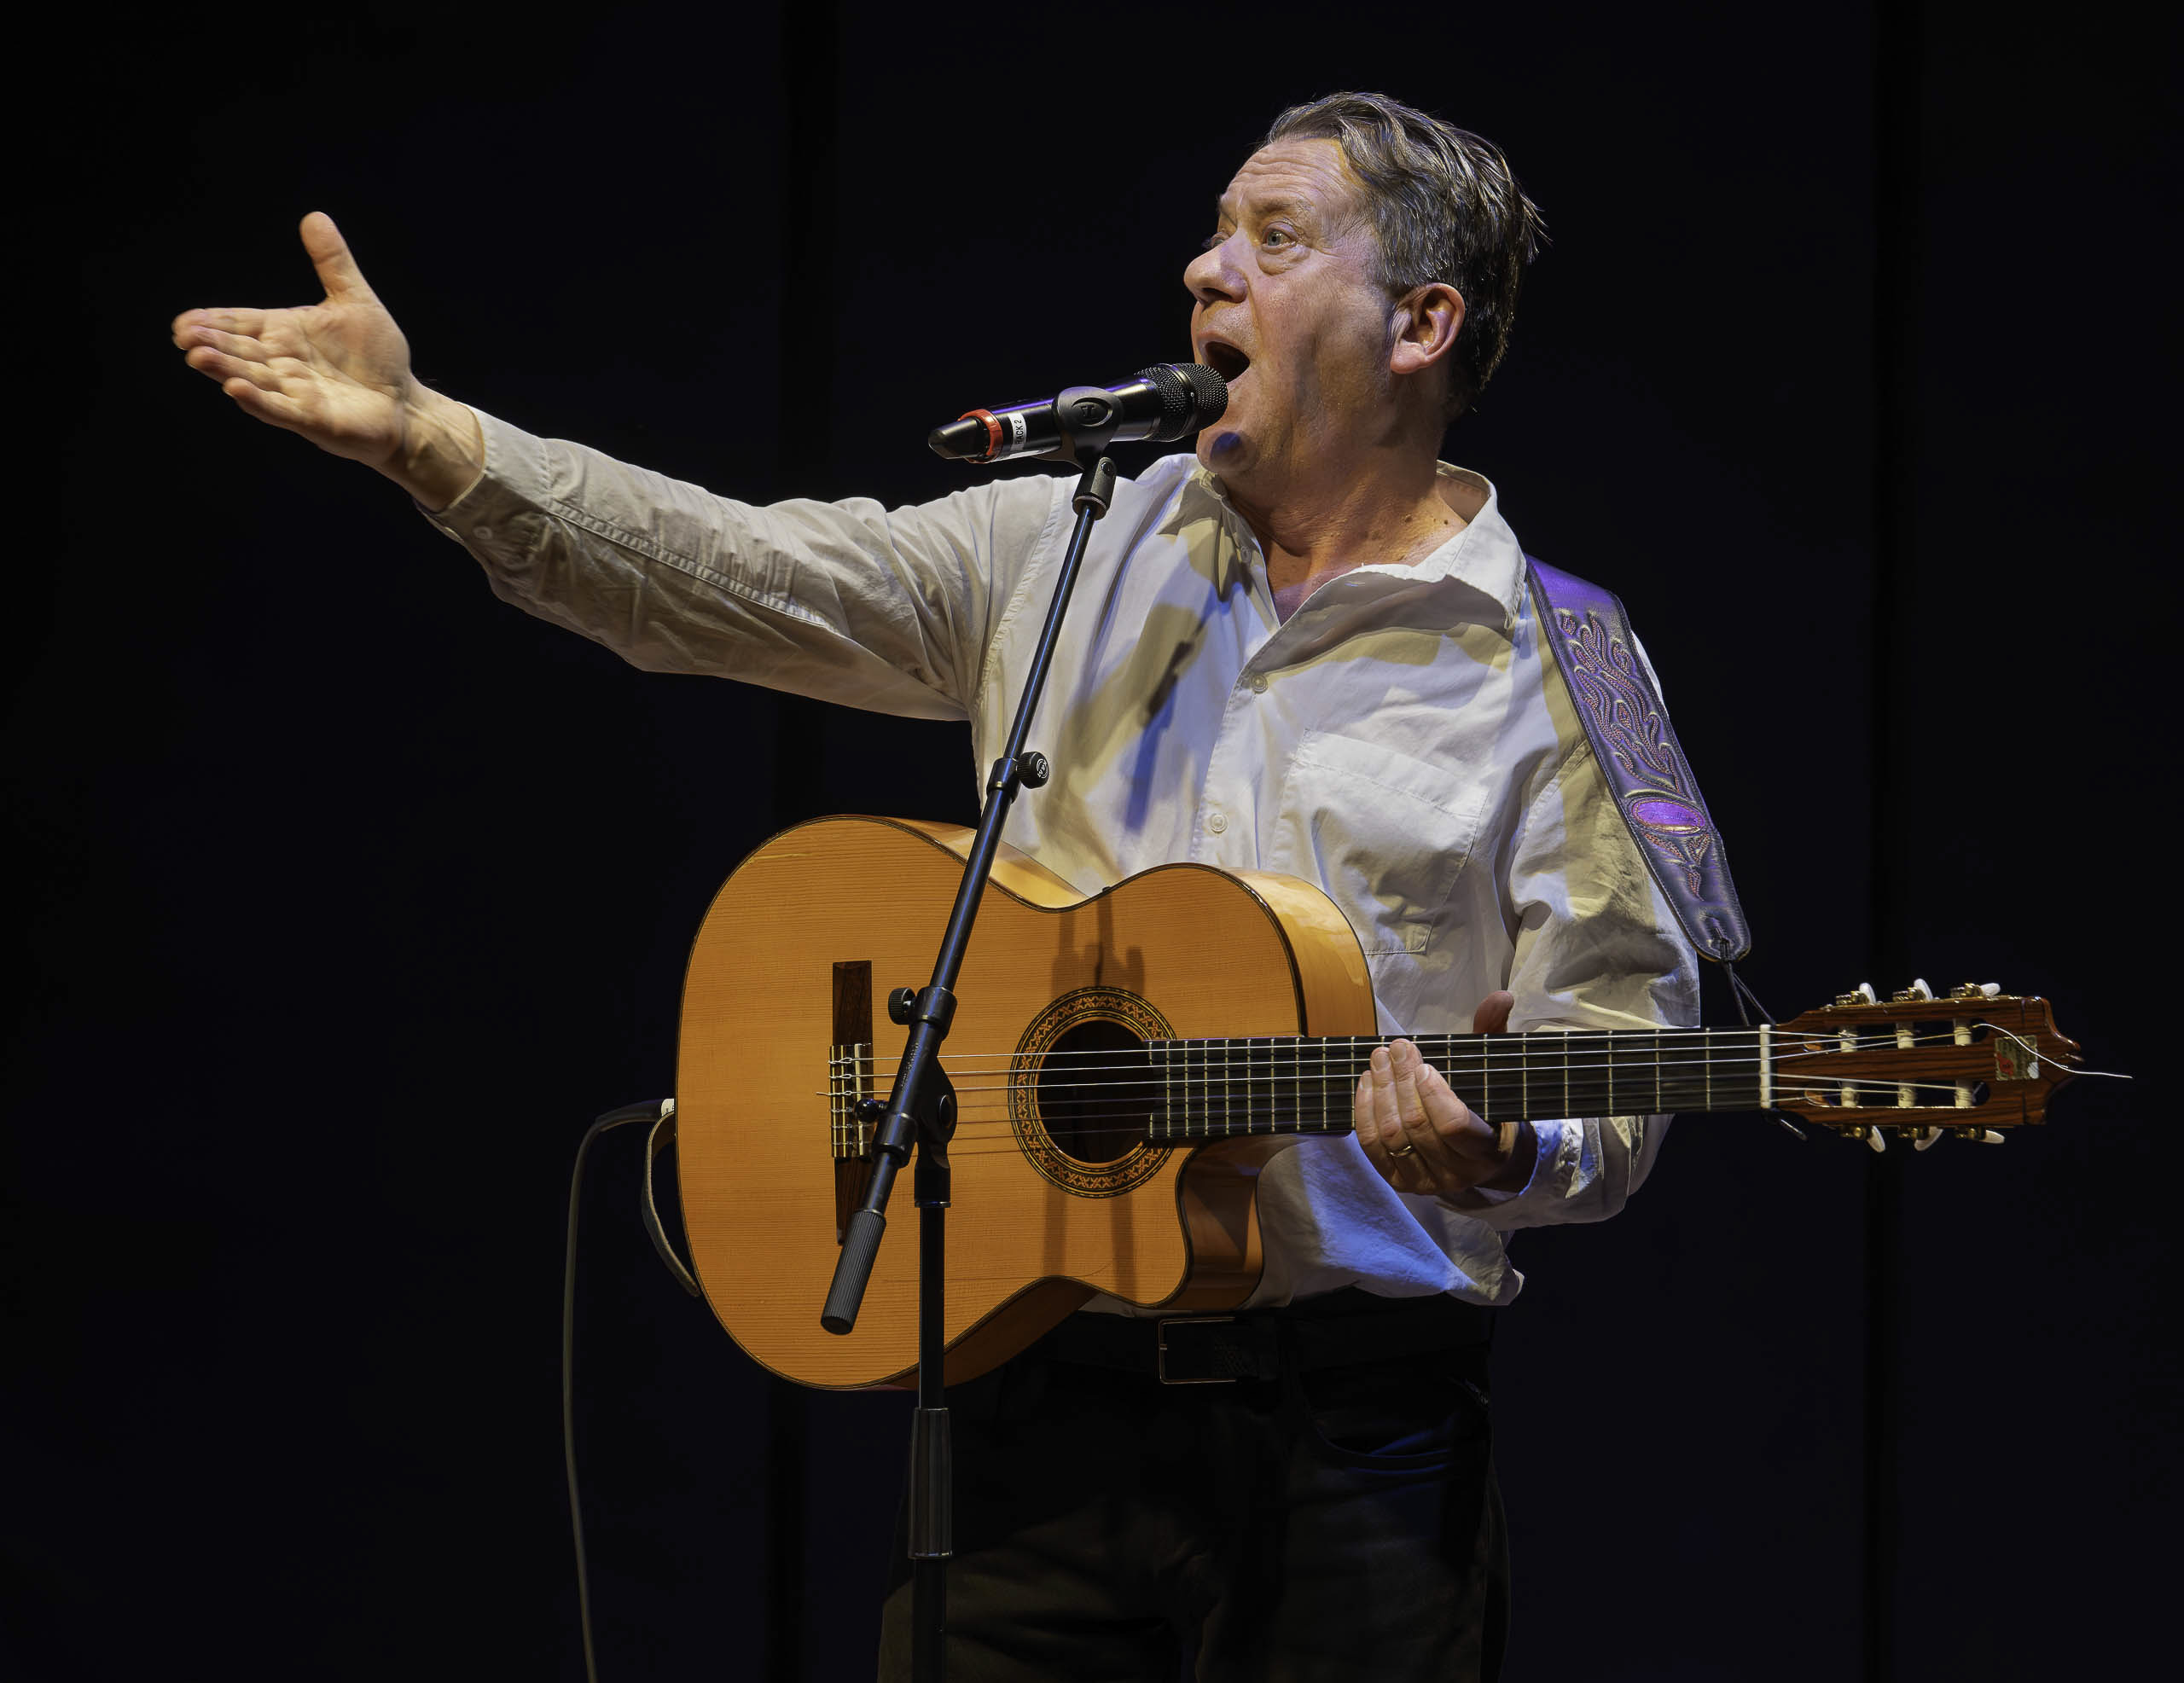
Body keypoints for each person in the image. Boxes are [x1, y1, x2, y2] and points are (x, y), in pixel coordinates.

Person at [174, 91, 1696, 1681]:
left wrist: (1511, 1147)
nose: (1206, 269)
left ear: (1421, 324)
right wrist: (433, 440)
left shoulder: (1562, 657)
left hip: (1360, 1444)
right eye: (1214, 233)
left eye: (1276, 236)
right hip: (1031, 1400)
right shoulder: (1070, 544)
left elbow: (1628, 1042)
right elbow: (725, 575)